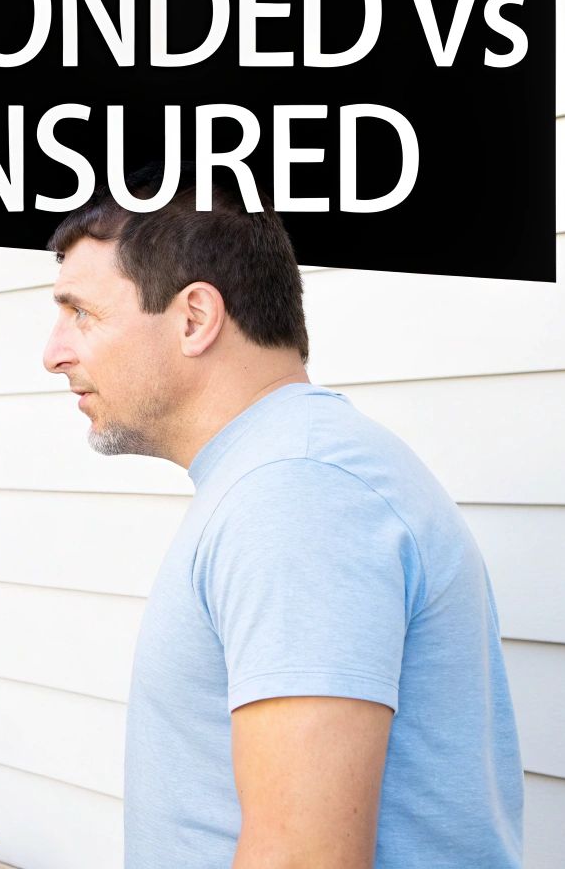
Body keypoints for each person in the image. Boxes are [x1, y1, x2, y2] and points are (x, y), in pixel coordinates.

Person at [40, 169, 523, 868]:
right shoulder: (281, 474)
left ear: (195, 318)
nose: (54, 352)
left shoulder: (296, 495)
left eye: (81, 313)